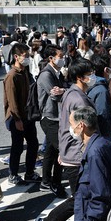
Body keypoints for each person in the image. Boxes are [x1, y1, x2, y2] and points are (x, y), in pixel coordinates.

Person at [36, 58, 96, 221]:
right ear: (80, 77)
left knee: (84, 196)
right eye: (89, 74)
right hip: (78, 154)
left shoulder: (71, 93)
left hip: (72, 152)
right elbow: (81, 130)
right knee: (79, 197)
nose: (92, 77)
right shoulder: (78, 99)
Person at [3, 43, 41, 184]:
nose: (27, 58)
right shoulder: (12, 76)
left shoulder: (25, 71)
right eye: (25, 56)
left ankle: (30, 172)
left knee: (33, 144)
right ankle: (13, 174)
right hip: (16, 117)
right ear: (16, 57)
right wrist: (17, 119)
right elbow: (11, 101)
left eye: (28, 55)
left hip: (28, 115)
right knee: (17, 147)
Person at [36, 45, 68, 197]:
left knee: (50, 150)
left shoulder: (57, 73)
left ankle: (46, 181)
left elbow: (62, 90)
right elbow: (55, 95)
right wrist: (66, 91)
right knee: (61, 149)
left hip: (57, 116)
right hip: (50, 117)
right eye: (60, 56)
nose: (62, 58)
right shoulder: (46, 75)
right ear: (51, 58)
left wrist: (64, 90)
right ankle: (56, 183)